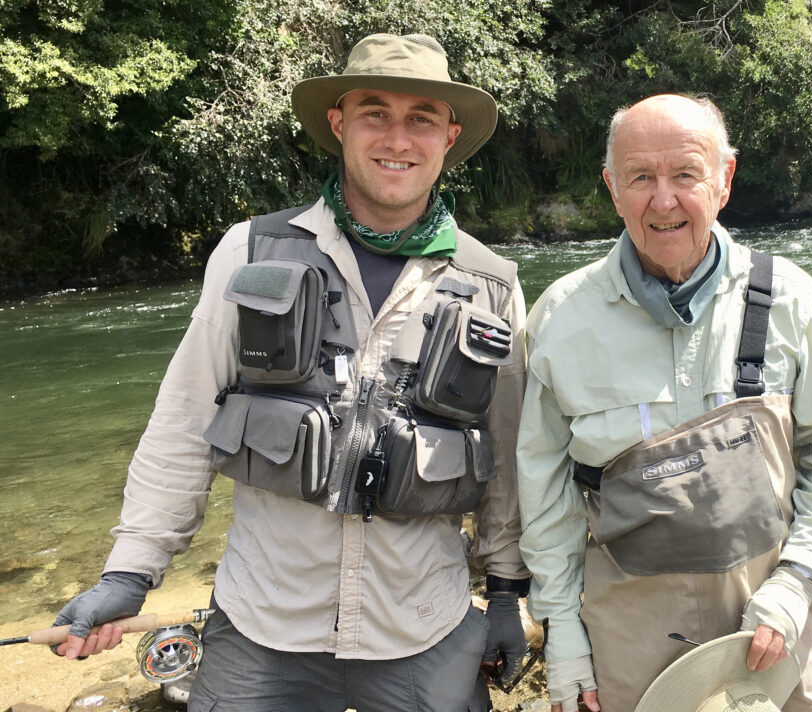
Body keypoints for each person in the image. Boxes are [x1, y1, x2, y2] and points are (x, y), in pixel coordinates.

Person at [50, 33, 532, 711]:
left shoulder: (494, 285)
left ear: (449, 136)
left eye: (421, 117)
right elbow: (184, 422)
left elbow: (509, 462)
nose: (398, 137)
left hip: (425, 628)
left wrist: (507, 592)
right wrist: (132, 570)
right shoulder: (250, 252)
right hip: (261, 627)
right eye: (375, 113)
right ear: (339, 124)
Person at [516, 93, 812, 712]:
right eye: (641, 178)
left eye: (685, 174)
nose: (664, 200)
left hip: (772, 626)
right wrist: (564, 639)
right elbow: (546, 501)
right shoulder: (558, 321)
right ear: (611, 187)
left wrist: (797, 582)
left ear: (724, 179)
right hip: (622, 643)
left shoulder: (789, 299)